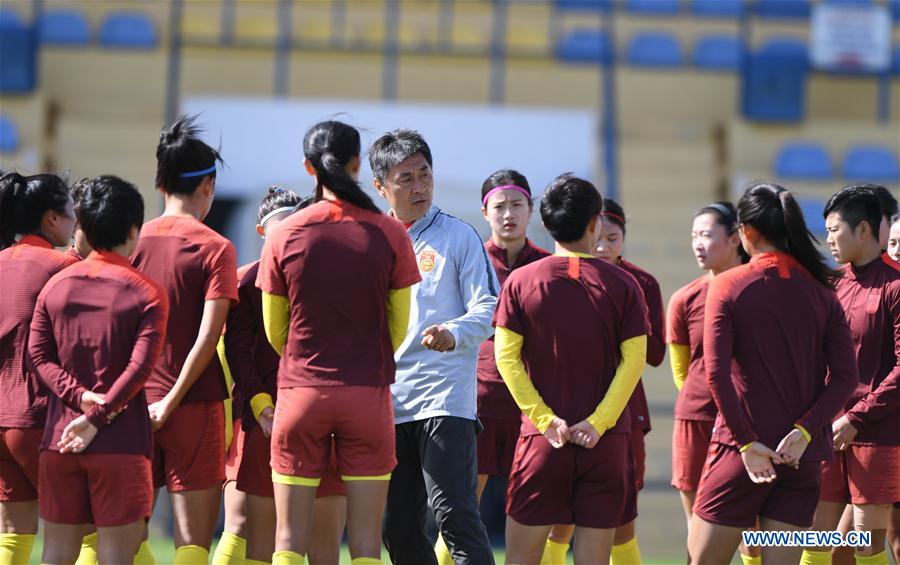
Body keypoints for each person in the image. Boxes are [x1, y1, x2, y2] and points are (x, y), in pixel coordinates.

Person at [256, 120, 420, 565]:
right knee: (366, 544)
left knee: (288, 540)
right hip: (368, 394)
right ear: (357, 165)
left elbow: (276, 329)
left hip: (301, 392)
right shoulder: (390, 233)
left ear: (308, 168)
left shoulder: (284, 235)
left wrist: (305, 358)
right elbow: (400, 324)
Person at [688, 181, 858, 564]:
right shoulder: (823, 290)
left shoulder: (729, 284)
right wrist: (803, 432)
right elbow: (846, 377)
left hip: (740, 454)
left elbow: (715, 374)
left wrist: (747, 445)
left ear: (746, 232)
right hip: (800, 459)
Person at [495, 173, 647, 565]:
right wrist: (599, 423)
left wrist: (545, 420)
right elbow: (634, 361)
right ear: (595, 222)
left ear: (545, 223)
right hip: (605, 444)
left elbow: (505, 359)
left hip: (543, 442)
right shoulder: (626, 285)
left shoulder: (519, 281)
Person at [369, 129, 498, 565]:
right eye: (405, 177)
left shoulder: (459, 237)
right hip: (386, 402)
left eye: (425, 174)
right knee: (397, 528)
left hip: (443, 399)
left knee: (454, 515)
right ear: (380, 186)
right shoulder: (372, 241)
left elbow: (488, 308)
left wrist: (454, 332)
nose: (419, 185)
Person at [27, 176, 168, 563]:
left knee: (55, 554)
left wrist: (78, 399)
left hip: (60, 439)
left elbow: (39, 357)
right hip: (121, 443)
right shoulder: (146, 292)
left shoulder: (55, 287)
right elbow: (141, 368)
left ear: (83, 227)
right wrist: (99, 415)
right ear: (134, 229)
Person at [131, 115, 238, 563]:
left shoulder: (131, 241)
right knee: (192, 545)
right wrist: (172, 401)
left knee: (124, 540)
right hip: (194, 403)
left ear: (161, 184)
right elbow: (209, 336)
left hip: (131, 403)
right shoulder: (216, 247)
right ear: (208, 187)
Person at [434, 170, 549, 565]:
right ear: (485, 212)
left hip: (532, 405)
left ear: (531, 210)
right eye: (499, 206)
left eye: (517, 205)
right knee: (462, 508)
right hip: (476, 400)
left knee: (534, 510)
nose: (508, 214)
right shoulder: (468, 260)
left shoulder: (548, 267)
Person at [801, 186, 900, 565]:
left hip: (877, 434)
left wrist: (855, 420)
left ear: (862, 230)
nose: (828, 240)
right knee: (816, 539)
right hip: (829, 430)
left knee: (867, 544)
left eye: (834, 230)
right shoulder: (832, 284)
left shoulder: (895, 286)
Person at [667, 202, 754, 561]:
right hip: (697, 418)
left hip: (749, 423)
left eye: (706, 235)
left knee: (754, 531)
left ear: (735, 239)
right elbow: (681, 372)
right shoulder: (683, 298)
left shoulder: (757, 289)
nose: (698, 244)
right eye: (694, 236)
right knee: (697, 529)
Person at [0, 172, 79, 564]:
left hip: (1, 419)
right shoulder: (60, 266)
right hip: (38, 420)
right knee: (90, 529)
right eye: (71, 211)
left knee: (13, 535)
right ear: (51, 218)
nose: (76, 219)